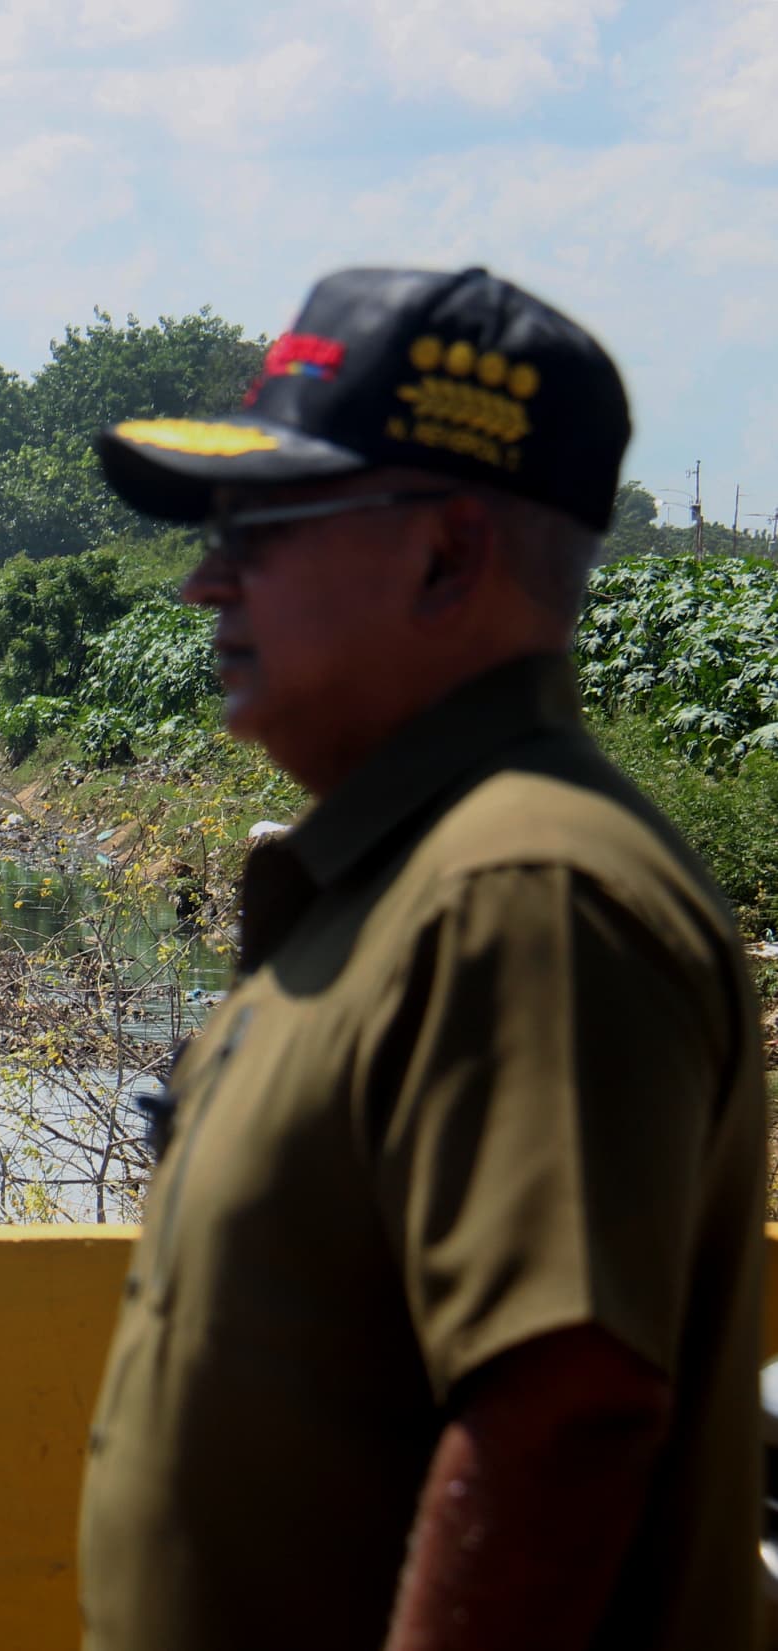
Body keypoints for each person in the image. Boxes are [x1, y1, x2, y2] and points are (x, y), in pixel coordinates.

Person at [75, 267, 764, 1649]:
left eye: (260, 527)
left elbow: (560, 1413)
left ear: (448, 553)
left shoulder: (518, 895)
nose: (206, 577)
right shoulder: (396, 877)